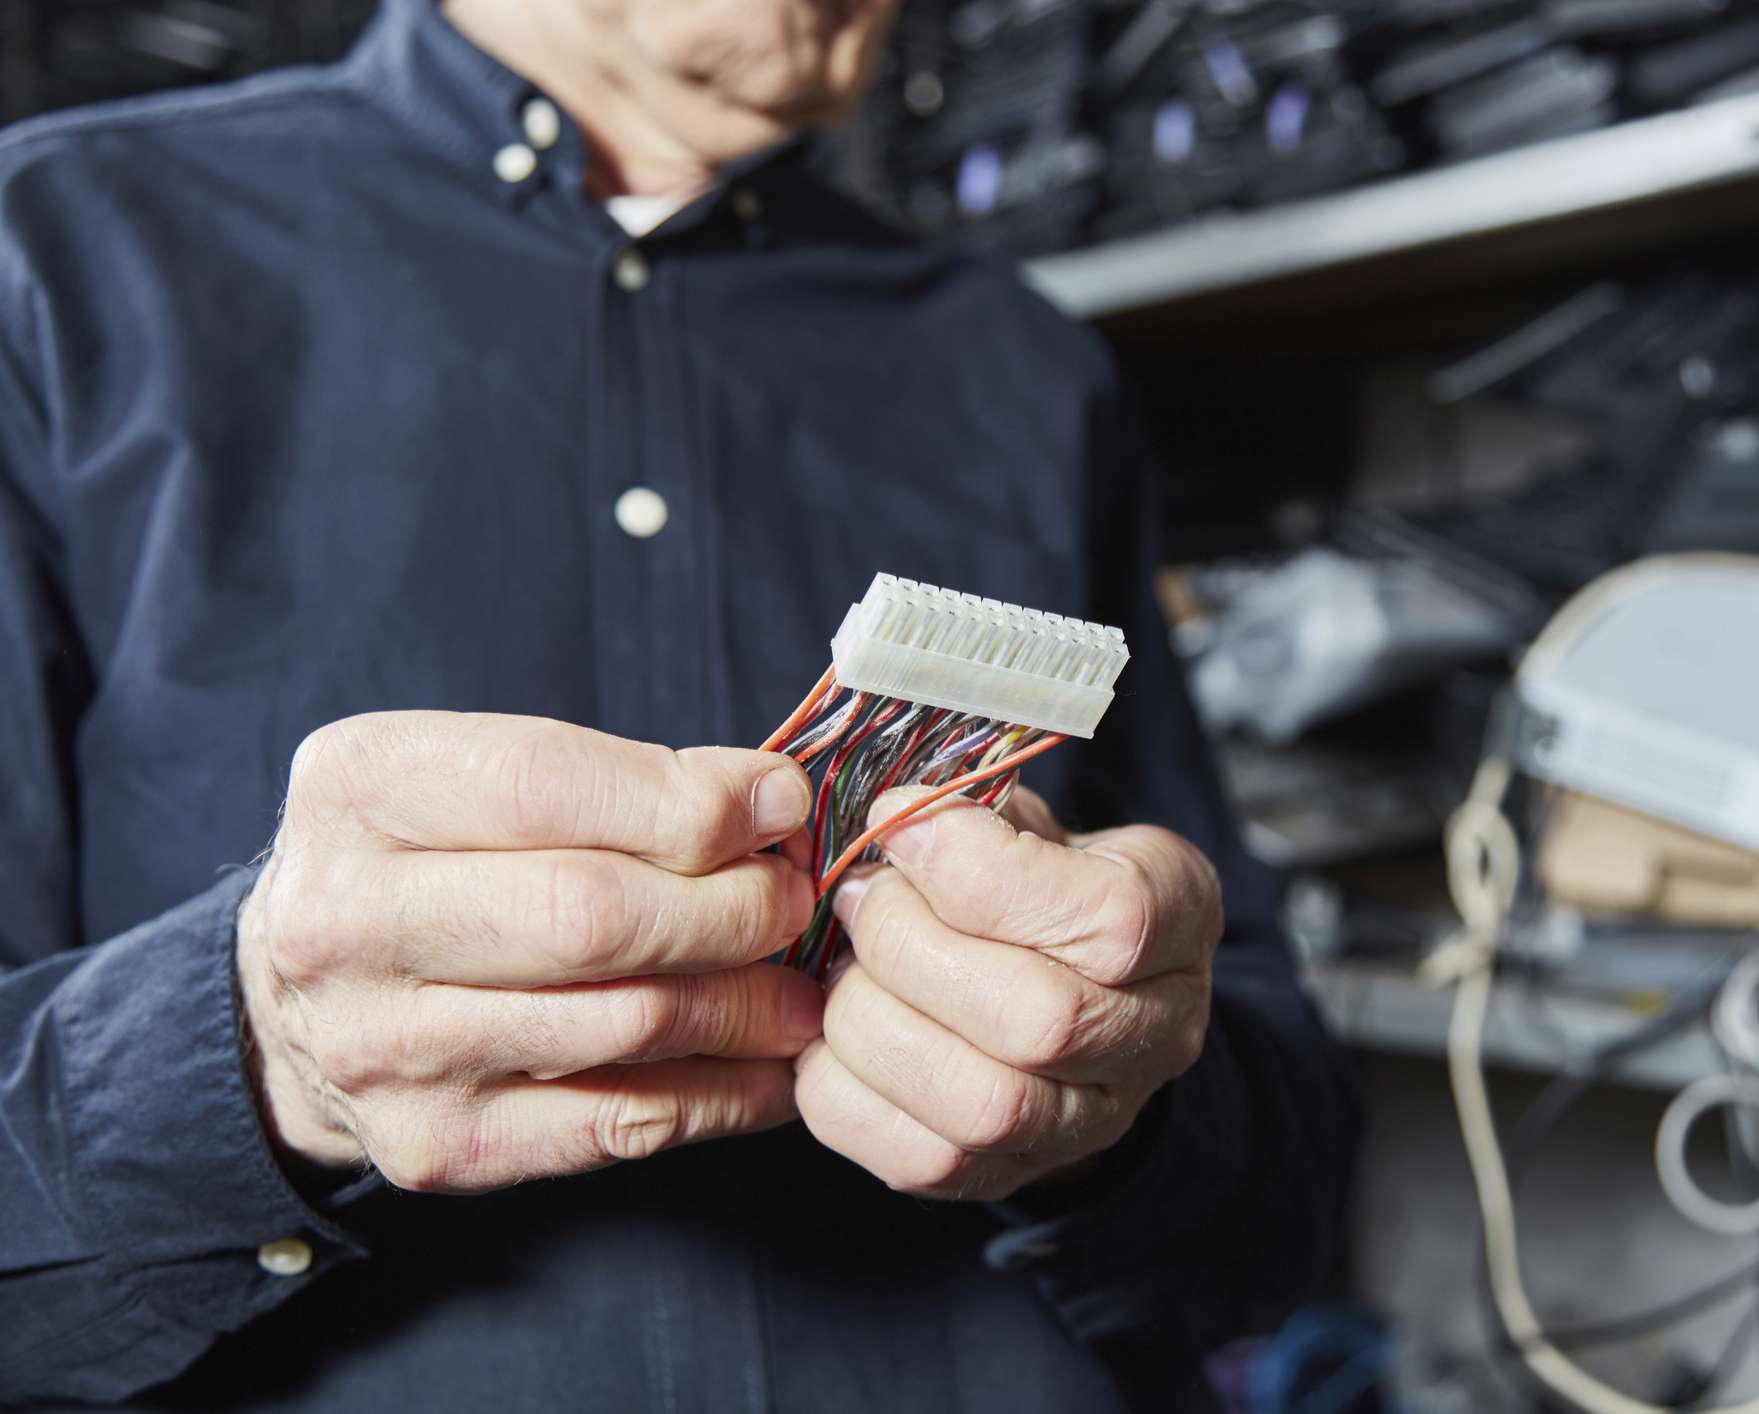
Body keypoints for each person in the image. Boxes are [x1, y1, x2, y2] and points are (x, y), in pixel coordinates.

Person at [0, 0, 1358, 1407]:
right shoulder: (50, 260)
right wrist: (253, 1051)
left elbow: (1281, 1205)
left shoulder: (1027, 371)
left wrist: (1110, 1112)